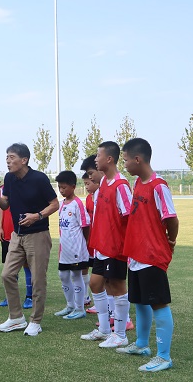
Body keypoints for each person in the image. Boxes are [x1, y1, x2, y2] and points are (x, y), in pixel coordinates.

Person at [117, 138, 179, 372]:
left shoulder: (158, 185)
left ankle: (164, 357)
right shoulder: (137, 183)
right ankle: (142, 344)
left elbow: (171, 218)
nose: (124, 164)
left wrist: (170, 241)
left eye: (125, 160)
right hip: (136, 254)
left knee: (158, 303)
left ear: (137, 159)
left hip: (152, 254)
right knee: (140, 300)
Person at [0, 143, 59, 336]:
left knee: (38, 280)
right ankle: (16, 318)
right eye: (6, 157)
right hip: (17, 235)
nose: (8, 161)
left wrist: (37, 216)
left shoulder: (39, 179)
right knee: (7, 274)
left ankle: (35, 321)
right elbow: (5, 205)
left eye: (11, 157)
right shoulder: (9, 178)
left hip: (38, 235)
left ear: (24, 160)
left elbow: (54, 204)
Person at [80, 141, 133, 348]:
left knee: (116, 287)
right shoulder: (103, 183)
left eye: (98, 156)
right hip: (101, 246)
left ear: (109, 159)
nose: (96, 159)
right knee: (96, 283)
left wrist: (128, 248)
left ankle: (120, 334)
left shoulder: (121, 185)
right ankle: (104, 330)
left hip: (115, 247)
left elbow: (129, 218)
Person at [53, 171, 90, 320]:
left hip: (76, 249)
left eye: (64, 187)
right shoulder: (62, 204)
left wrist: (84, 244)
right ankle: (70, 305)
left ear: (73, 187)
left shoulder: (77, 204)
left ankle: (80, 308)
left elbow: (85, 226)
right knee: (63, 275)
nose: (61, 190)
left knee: (76, 275)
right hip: (65, 249)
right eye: (59, 187)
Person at [0, 199, 33, 309]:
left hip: (22, 231)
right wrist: (0, 227)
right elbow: (2, 208)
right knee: (10, 266)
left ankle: (29, 296)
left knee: (27, 265)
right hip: (7, 230)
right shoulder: (4, 190)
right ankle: (10, 297)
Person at [81, 172, 96, 310]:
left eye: (88, 183)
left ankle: (101, 301)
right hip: (88, 238)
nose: (86, 186)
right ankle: (85, 296)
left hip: (98, 240)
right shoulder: (88, 198)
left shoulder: (100, 197)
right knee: (84, 267)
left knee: (99, 272)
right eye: (84, 184)